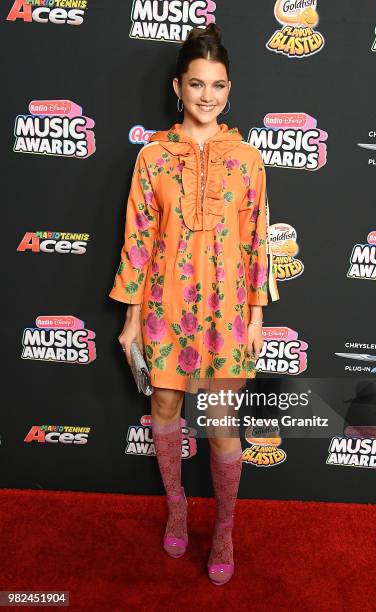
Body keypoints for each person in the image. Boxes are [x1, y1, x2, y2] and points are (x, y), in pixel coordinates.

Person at [109, 23, 279, 586]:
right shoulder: (153, 157)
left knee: (223, 423)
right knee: (164, 408)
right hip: (163, 304)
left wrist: (257, 317)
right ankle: (178, 506)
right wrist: (131, 319)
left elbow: (258, 240)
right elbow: (138, 237)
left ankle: (225, 528)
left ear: (230, 90)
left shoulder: (249, 159)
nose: (207, 96)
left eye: (218, 85)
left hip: (228, 311)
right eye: (197, 84)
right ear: (176, 87)